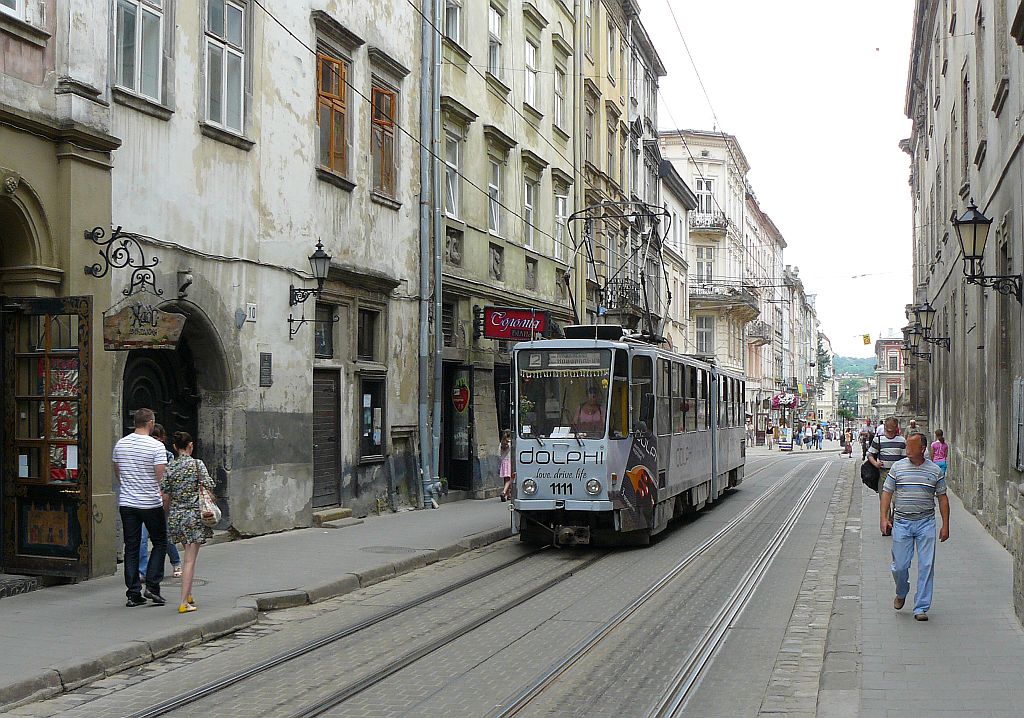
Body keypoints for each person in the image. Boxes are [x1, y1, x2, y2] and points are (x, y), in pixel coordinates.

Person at [880, 432, 950, 621]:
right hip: (902, 522)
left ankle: (921, 607)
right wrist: (883, 518)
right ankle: (902, 591)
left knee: (926, 565)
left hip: (926, 522)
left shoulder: (935, 471)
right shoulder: (898, 468)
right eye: (907, 446)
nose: (907, 450)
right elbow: (887, 493)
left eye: (911, 447)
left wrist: (945, 525)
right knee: (900, 566)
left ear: (922, 449)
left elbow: (943, 498)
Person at [113, 408, 169, 607]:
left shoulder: (121, 444)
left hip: (127, 502)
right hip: (150, 502)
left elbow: (118, 472)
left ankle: (133, 592)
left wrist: (129, 485)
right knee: (160, 541)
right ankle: (152, 586)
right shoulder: (156, 447)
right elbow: (161, 477)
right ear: (151, 423)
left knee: (132, 546)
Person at [162, 431, 216, 614]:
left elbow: (165, 495)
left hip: (177, 516)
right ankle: (184, 601)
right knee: (190, 560)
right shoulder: (196, 464)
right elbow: (209, 484)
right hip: (194, 516)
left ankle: (189, 593)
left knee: (187, 557)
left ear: (175, 447)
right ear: (190, 446)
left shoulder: (170, 466)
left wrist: (168, 514)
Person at [139, 424, 181, 580]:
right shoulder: (143, 453)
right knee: (142, 538)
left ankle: (176, 561)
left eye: (157, 437)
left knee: (165, 535)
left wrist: (166, 497)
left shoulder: (167, 456)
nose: (154, 440)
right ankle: (142, 571)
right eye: (152, 437)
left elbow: (168, 478)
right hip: (144, 500)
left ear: (163, 438)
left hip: (161, 500)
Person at [869, 417, 908, 509]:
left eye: (892, 429)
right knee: (884, 501)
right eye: (888, 429)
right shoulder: (878, 439)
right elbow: (870, 454)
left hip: (898, 474)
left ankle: (894, 520)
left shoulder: (902, 441)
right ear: (885, 427)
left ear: (896, 428)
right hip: (883, 473)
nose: (890, 432)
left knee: (897, 501)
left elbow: (904, 458)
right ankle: (886, 520)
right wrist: (875, 463)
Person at [499, 430, 512, 501]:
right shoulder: (510, 443)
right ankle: (504, 492)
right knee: (510, 479)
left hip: (503, 462)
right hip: (509, 461)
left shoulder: (502, 443)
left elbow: (499, 453)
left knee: (505, 479)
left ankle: (508, 494)